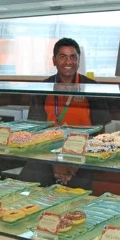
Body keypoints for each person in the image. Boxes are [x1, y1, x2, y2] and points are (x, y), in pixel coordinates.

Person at [20, 38, 111, 187]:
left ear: (78, 61)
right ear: (54, 60)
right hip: (48, 152)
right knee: (26, 183)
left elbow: (100, 133)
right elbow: (36, 130)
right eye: (63, 57)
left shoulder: (91, 87)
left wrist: (76, 162)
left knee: (79, 192)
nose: (68, 62)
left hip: (83, 153)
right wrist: (54, 162)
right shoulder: (43, 87)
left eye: (73, 57)